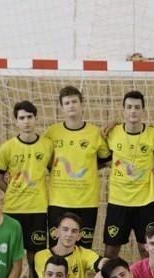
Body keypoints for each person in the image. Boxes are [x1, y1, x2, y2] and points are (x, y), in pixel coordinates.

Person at [0, 100, 54, 278]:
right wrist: (11, 190)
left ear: (36, 119)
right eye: (22, 118)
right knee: (10, 255)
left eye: (29, 117)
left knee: (36, 256)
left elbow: (54, 170)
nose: (26, 121)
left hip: (38, 209)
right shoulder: (7, 147)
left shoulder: (47, 145)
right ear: (16, 122)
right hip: (13, 209)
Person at [43, 85, 111, 249]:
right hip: (58, 201)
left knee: (83, 250)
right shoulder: (52, 132)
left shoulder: (95, 133)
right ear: (61, 107)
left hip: (86, 202)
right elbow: (45, 162)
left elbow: (106, 161)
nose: (71, 105)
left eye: (74, 101)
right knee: (56, 248)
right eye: (67, 103)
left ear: (82, 104)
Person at [103, 90, 154, 259]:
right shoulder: (112, 133)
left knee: (148, 251)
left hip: (145, 202)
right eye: (129, 107)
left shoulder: (153, 135)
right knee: (110, 252)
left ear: (143, 110)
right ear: (123, 110)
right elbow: (100, 159)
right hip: (118, 201)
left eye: (137, 107)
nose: (133, 111)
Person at [34, 212, 107, 278]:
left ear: (79, 236)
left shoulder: (83, 254)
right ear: (56, 232)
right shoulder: (41, 256)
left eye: (74, 231)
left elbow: (107, 265)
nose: (69, 235)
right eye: (65, 229)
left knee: (108, 272)